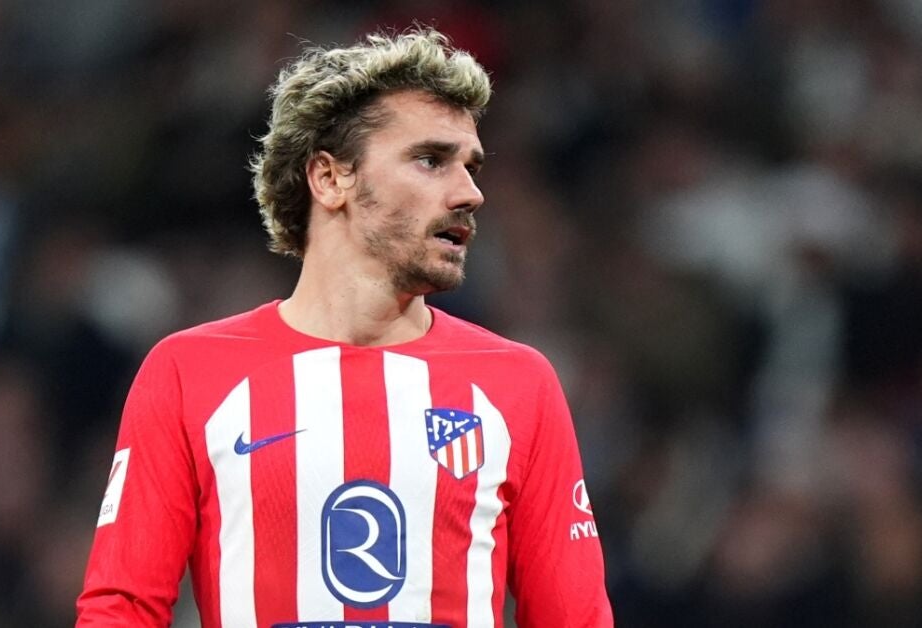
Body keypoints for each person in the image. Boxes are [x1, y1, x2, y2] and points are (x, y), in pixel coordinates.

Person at [76, 27, 612, 628]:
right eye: (431, 160)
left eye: (471, 167)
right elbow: (122, 609)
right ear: (330, 179)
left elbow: (577, 619)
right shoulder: (189, 374)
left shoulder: (519, 386)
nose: (470, 193)